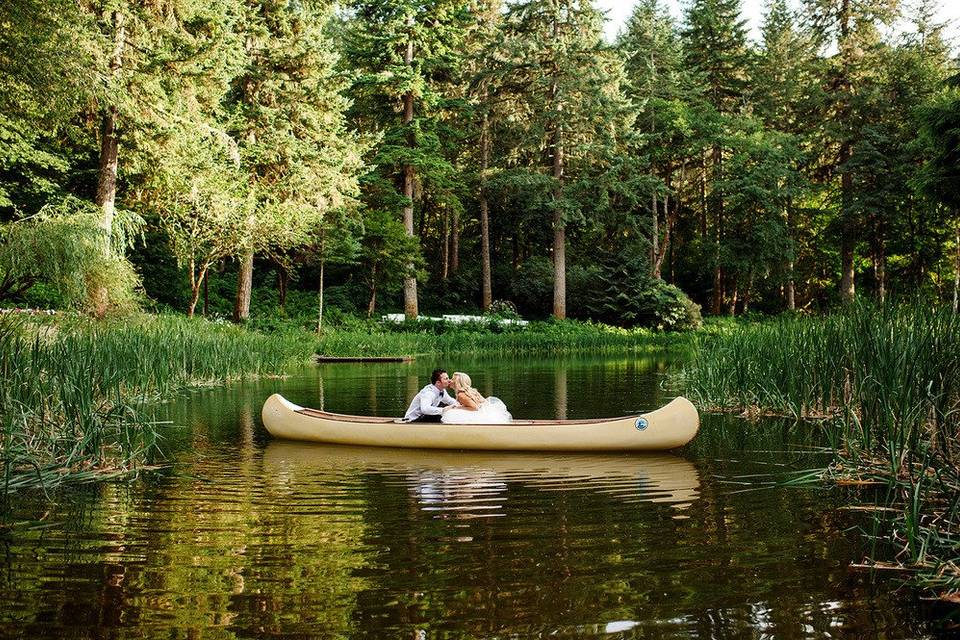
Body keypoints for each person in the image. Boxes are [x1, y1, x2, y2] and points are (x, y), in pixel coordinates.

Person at [440, 371, 512, 424]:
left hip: (478, 413)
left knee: (451, 413)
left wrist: (457, 407)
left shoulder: (461, 395)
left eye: (452, 379)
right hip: (484, 412)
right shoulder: (471, 391)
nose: (449, 381)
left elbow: (474, 407)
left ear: (457, 382)